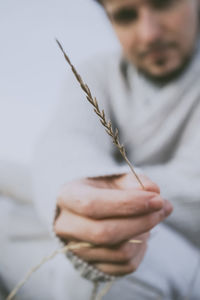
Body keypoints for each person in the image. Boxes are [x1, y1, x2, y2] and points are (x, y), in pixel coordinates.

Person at [32, 0, 200, 299]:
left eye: (163, 4)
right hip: (103, 234)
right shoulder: (98, 73)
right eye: (125, 16)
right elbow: (64, 142)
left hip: (185, 254)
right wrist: (78, 190)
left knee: (118, 255)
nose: (150, 34)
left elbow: (193, 189)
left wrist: (115, 196)